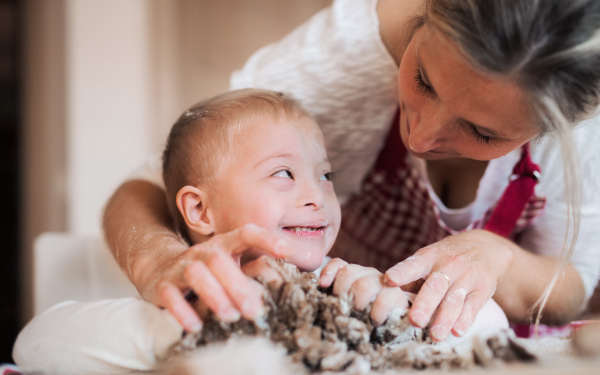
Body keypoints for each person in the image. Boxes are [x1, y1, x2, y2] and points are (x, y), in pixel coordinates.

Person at [103, 0, 600, 343]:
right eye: (423, 78)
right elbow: (147, 185)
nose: (421, 137)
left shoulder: (576, 122)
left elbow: (571, 288)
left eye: (482, 131)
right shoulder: (338, 57)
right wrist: (158, 261)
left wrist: (500, 260)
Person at [15, 89, 507, 373]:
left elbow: (492, 324)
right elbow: (34, 344)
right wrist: (178, 330)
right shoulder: (186, 309)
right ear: (200, 212)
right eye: (283, 174)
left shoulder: (353, 295)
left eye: (326, 175)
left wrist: (403, 310)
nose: (317, 195)